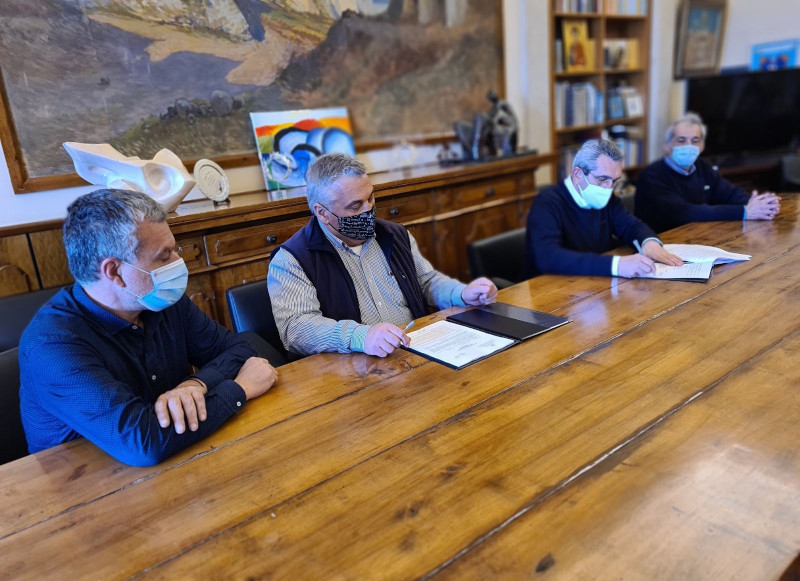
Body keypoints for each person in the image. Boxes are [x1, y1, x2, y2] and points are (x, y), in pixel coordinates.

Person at [19, 189, 278, 466]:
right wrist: (240, 389)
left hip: (181, 458)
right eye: (164, 257)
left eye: (174, 250)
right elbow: (144, 441)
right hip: (88, 482)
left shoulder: (159, 301)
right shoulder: (52, 346)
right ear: (114, 272)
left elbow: (238, 349)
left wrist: (195, 384)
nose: (178, 263)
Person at [268, 153, 498, 358]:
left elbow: (426, 281)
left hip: (416, 348)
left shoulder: (394, 234)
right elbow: (296, 328)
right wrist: (361, 336)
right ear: (322, 213)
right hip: (352, 366)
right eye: (355, 206)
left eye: (370, 198)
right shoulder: (292, 259)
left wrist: (462, 293)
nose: (368, 210)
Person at [525, 139, 683, 278]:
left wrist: (648, 242)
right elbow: (548, 257)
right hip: (548, 289)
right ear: (578, 174)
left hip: (592, 282)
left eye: (614, 181)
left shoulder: (606, 198)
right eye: (602, 179)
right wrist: (616, 265)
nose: (609, 188)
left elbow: (630, 225)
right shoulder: (546, 203)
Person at [634, 112, 780, 233]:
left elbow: (729, 193)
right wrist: (745, 211)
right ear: (667, 145)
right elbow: (685, 213)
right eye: (681, 140)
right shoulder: (651, 176)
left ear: (702, 145)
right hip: (663, 244)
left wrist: (759, 204)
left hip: (700, 236)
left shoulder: (701, 166)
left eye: (695, 141)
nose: (689, 146)